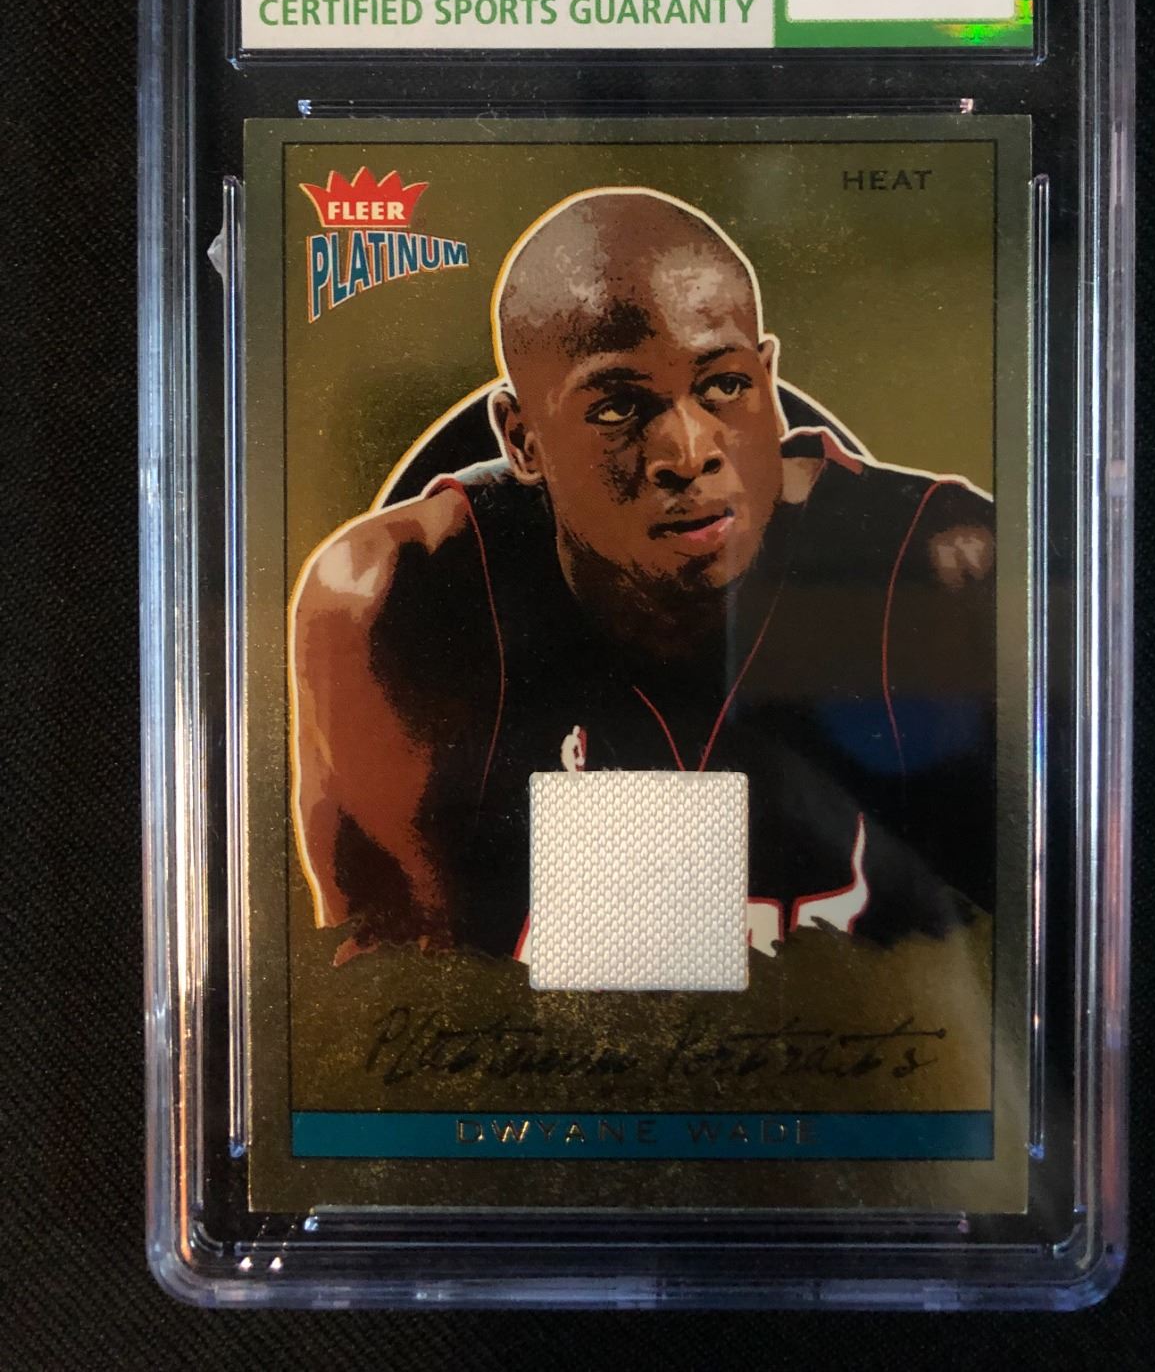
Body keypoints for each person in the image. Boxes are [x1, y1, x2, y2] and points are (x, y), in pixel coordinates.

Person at [290, 188, 995, 965]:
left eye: (725, 385)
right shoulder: (397, 605)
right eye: (619, 408)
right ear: (523, 441)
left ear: (767, 380)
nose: (688, 452)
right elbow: (376, 1006)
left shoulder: (932, 572)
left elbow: (1018, 968)